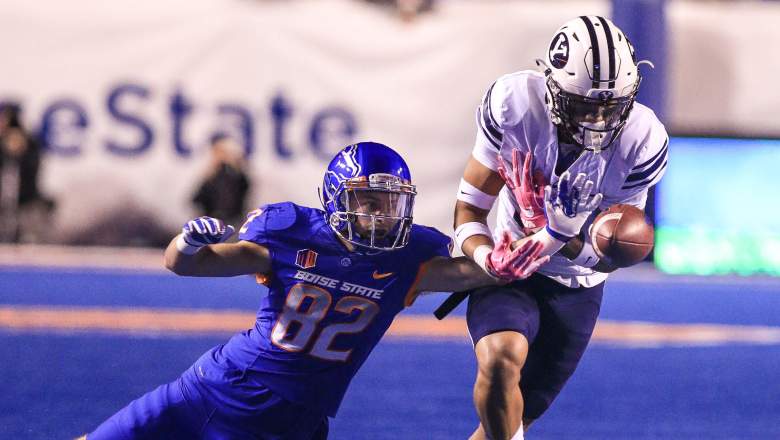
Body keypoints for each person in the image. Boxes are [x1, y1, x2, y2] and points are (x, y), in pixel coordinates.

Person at [83, 141, 549, 440]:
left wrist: (528, 239)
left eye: (391, 203)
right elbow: (185, 266)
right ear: (335, 199)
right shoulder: (290, 232)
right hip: (220, 387)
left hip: (297, 423)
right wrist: (187, 243)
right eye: (368, 201)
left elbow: (487, 272)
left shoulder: (408, 257)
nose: (381, 215)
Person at [451, 16, 669, 440]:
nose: (599, 118)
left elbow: (616, 252)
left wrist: (557, 235)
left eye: (611, 104)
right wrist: (486, 257)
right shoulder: (514, 104)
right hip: (511, 269)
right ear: (551, 87)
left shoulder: (642, 138)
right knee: (499, 362)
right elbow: (469, 211)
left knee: (512, 425)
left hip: (577, 284)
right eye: (586, 104)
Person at [192, 133, 251, 229]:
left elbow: (243, 190)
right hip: (212, 223)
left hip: (232, 222)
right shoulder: (211, 176)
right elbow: (196, 199)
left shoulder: (235, 176)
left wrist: (236, 166)